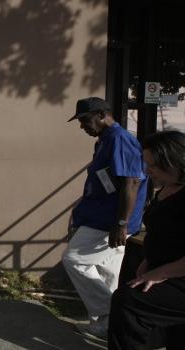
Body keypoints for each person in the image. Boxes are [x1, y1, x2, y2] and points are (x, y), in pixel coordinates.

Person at [62, 97, 148, 339]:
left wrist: (120, 224)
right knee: (107, 272)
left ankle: (116, 311)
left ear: (101, 114)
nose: (82, 127)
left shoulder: (120, 139)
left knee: (73, 260)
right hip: (102, 217)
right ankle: (105, 326)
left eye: (84, 120)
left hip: (109, 221)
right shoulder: (105, 140)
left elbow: (131, 182)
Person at [108, 130, 185, 349]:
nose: (147, 170)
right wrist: (149, 261)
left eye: (154, 164)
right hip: (164, 269)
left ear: (175, 160)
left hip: (177, 274)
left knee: (128, 302)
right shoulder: (168, 188)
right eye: (146, 163)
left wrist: (161, 272)